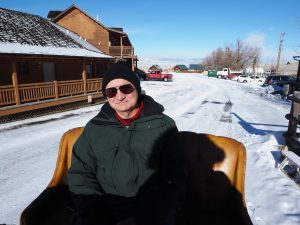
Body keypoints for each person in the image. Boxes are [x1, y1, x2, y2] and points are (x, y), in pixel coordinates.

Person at [67, 63, 186, 225]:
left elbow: (173, 178)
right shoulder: (95, 128)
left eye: (126, 88)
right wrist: (96, 212)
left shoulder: (164, 126)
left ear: (137, 88)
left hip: (151, 210)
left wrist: (142, 217)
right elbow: (81, 174)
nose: (120, 96)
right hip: (103, 207)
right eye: (111, 91)